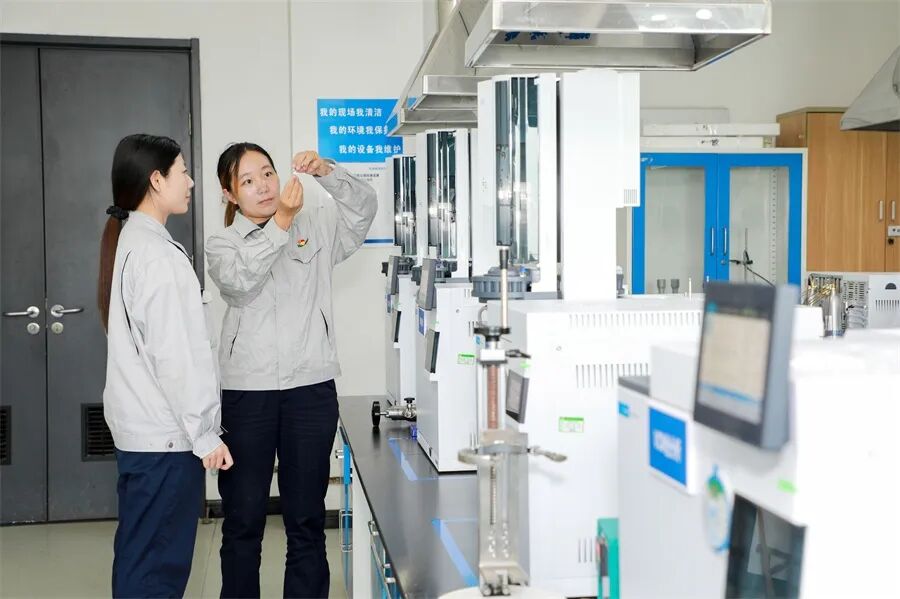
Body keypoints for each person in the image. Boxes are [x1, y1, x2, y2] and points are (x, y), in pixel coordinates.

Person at [206, 143, 376, 598]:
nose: (263, 186)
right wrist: (280, 223)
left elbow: (364, 210)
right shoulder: (222, 244)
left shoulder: (314, 225)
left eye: (267, 173)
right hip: (248, 394)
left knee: (306, 520)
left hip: (310, 389)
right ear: (229, 194)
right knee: (243, 521)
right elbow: (240, 283)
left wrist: (328, 172)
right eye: (247, 181)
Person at [99, 133, 234, 598]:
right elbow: (177, 357)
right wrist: (205, 434)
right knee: (156, 570)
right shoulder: (156, 255)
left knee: (140, 558)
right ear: (156, 181)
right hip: (166, 441)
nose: (191, 182)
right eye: (183, 172)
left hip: (145, 436)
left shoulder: (134, 241)